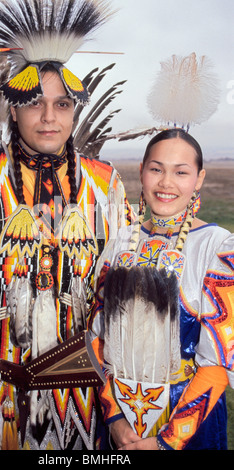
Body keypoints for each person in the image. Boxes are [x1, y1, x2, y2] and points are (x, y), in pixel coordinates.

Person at [0, 0, 133, 450]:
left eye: (62, 104)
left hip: (79, 395)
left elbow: (114, 279)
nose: (49, 117)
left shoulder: (104, 184)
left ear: (74, 111)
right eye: (35, 103)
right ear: (13, 109)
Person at [90, 128, 234, 450]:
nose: (166, 183)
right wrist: (114, 418)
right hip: (120, 422)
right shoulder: (120, 242)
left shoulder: (218, 247)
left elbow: (218, 364)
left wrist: (166, 442)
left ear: (198, 179)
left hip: (189, 427)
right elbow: (97, 337)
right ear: (141, 172)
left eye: (181, 172)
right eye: (156, 169)